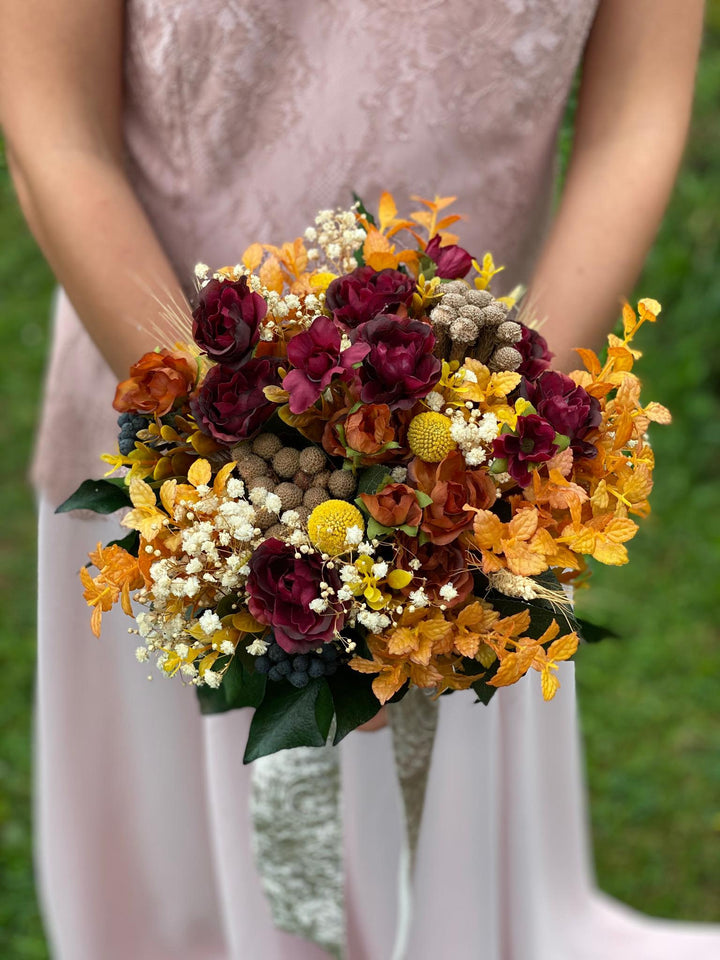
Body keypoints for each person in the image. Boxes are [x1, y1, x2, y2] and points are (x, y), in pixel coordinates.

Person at [0, 1, 716, 957]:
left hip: (465, 491)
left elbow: (634, 122)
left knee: (441, 868)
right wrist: (227, 481)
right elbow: (54, 128)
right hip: (166, 451)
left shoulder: (475, 477)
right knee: (182, 895)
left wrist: (496, 451)